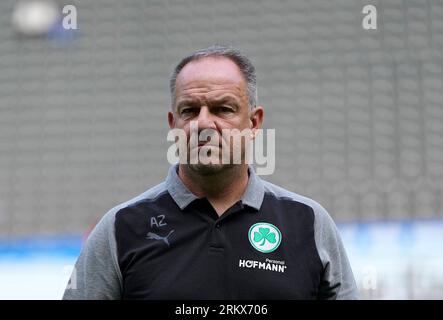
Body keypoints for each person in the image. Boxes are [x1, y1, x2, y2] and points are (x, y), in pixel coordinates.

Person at [63, 45, 358, 300]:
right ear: (173, 124)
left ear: (254, 123)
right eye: (189, 111)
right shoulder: (120, 229)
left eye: (223, 109)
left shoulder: (310, 223)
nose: (204, 123)